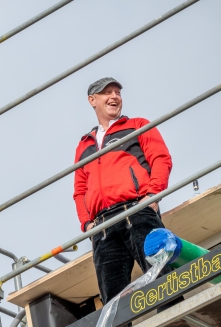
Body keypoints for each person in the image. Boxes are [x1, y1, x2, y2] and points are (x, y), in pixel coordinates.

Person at [73, 77, 173, 303]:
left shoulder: (137, 125)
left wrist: (152, 195)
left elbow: (161, 158)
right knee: (112, 297)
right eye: (106, 92)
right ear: (92, 100)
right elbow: (80, 190)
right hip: (102, 226)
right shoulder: (84, 145)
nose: (114, 96)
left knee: (160, 275)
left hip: (136, 209)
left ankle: (175, 322)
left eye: (117, 92)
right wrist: (87, 223)